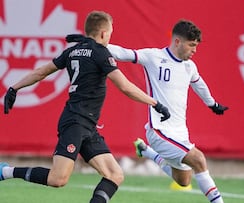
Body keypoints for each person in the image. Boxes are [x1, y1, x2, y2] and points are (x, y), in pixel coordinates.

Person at [0, 11, 170, 203]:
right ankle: (6, 171)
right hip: (76, 122)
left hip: (87, 125)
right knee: (58, 178)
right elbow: (124, 86)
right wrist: (155, 103)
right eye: (111, 32)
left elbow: (41, 72)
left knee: (114, 174)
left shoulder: (73, 50)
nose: (110, 36)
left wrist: (14, 87)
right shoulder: (100, 53)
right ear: (104, 33)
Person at [107, 19, 229, 203]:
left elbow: (199, 85)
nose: (194, 50)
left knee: (183, 180)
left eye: (196, 46)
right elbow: (123, 53)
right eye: (192, 45)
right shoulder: (154, 57)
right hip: (159, 131)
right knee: (199, 160)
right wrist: (95, 44)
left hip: (180, 133)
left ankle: (146, 152)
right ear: (178, 42)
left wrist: (212, 103)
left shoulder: (190, 66)